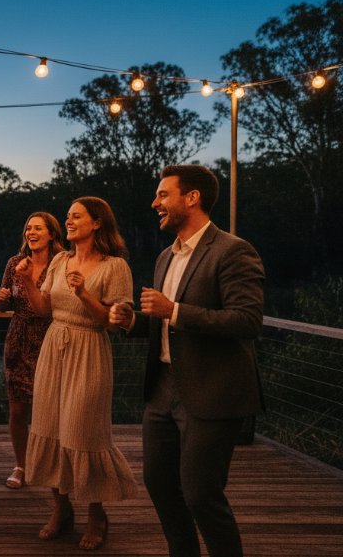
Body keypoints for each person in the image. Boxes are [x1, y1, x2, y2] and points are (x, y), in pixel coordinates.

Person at [110, 165, 264, 557]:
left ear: (192, 198)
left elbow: (246, 320)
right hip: (162, 389)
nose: (154, 203)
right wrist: (133, 321)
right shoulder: (165, 257)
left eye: (163, 195)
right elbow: (164, 324)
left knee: (201, 496)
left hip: (211, 391)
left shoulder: (233, 250)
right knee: (160, 485)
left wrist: (174, 310)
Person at [21, 197, 137, 551]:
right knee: (51, 428)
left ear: (97, 223)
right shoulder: (60, 259)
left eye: (76, 216)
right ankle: (61, 509)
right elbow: (43, 308)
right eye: (68, 216)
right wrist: (26, 281)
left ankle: (96, 513)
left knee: (83, 431)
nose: (68, 221)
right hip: (54, 346)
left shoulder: (115, 267)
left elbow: (112, 322)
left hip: (89, 349)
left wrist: (83, 293)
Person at [0, 211, 65, 490]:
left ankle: (53, 465)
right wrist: (0, 299)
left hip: (51, 337)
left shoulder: (62, 262)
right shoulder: (15, 263)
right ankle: (22, 465)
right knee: (18, 410)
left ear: (51, 234)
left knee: (53, 410)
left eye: (38, 228)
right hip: (18, 338)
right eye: (28, 228)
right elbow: (2, 302)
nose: (31, 233)